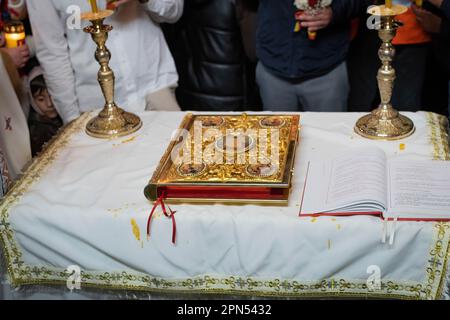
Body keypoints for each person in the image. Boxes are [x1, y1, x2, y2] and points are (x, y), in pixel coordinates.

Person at [26, 0, 183, 124]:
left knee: (183, 159)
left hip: (155, 87)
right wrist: (72, 120)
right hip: (95, 105)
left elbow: (174, 12)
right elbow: (52, 53)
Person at [255, 0, 370, 112]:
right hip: (273, 68)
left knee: (329, 131)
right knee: (278, 131)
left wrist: (335, 11)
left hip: (327, 70)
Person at [163, 0, 260, 112]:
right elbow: (253, 51)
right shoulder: (241, 3)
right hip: (232, 94)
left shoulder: (173, 5)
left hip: (186, 91)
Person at [27, 66, 63, 156]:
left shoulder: (65, 115)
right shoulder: (37, 132)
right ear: (32, 101)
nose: (49, 104)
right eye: (41, 99)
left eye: (51, 96)